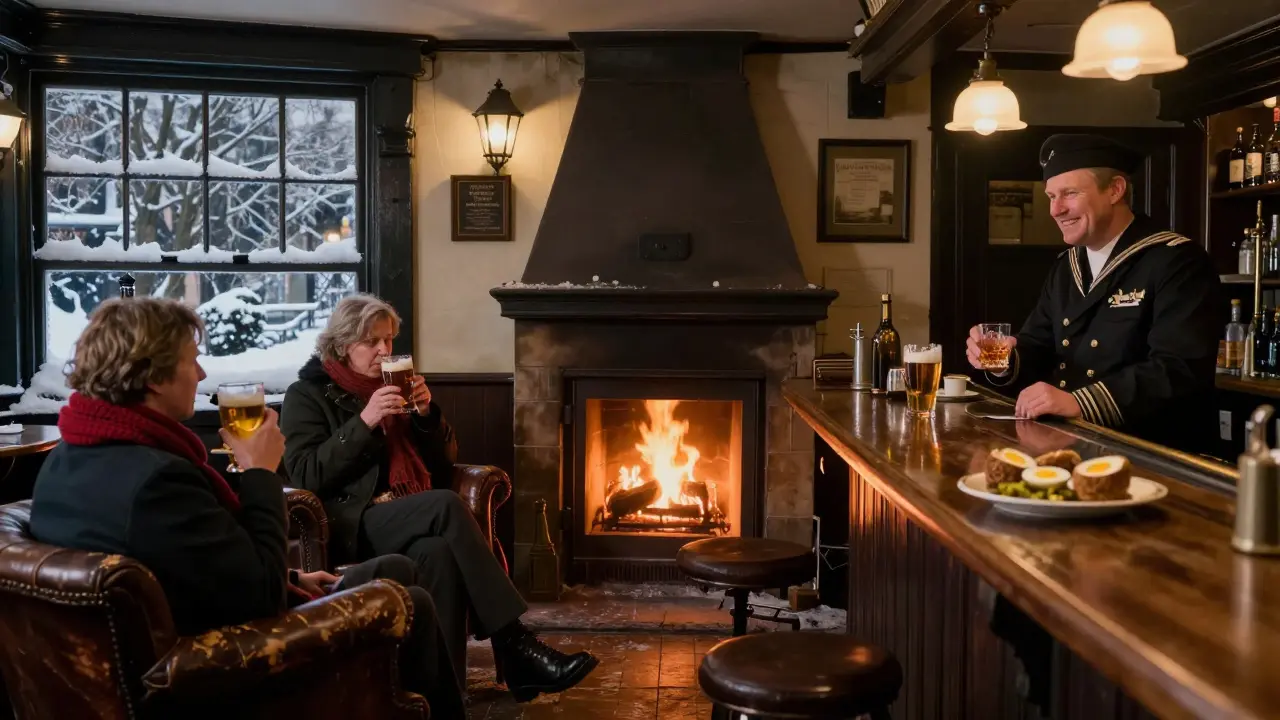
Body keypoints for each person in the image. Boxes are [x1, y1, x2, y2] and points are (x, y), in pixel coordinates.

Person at [27, 297, 467, 718]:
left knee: (398, 567)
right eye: (191, 359)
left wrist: (293, 576)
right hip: (219, 663)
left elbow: (178, 559)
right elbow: (259, 594)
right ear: (153, 376)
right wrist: (259, 471)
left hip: (196, 623)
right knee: (412, 602)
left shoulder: (67, 459)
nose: (201, 375)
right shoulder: (157, 480)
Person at [280, 293, 597, 703]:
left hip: (409, 515)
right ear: (343, 345)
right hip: (351, 520)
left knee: (438, 553)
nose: (384, 351)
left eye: (390, 340)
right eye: (372, 342)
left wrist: (428, 417)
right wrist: (365, 421)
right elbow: (307, 474)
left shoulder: (397, 386)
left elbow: (444, 464)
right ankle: (514, 642)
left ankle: (441, 695)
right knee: (446, 504)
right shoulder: (306, 394)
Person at [966, 133, 1220, 452]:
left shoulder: (1177, 260)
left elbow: (1179, 369)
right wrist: (1003, 358)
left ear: (1115, 189)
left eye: (1070, 193)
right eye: (1050, 196)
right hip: (1074, 445)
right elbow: (1038, 343)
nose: (1056, 210)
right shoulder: (1066, 266)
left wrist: (1079, 402)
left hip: (1153, 453)